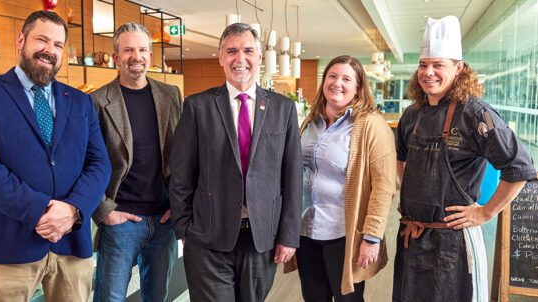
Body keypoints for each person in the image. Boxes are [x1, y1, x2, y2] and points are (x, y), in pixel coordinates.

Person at [0, 10, 111, 301]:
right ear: (21, 40)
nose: (49, 50)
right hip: (7, 246)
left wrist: (73, 209)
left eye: (58, 45)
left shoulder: (81, 101)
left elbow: (99, 163)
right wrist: (41, 210)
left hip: (71, 242)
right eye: (42, 40)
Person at [393, 16, 536, 302]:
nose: (428, 73)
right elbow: (402, 158)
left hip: (452, 243)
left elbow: (519, 168)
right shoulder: (411, 115)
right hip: (411, 235)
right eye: (423, 65)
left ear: (458, 68)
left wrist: (484, 212)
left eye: (438, 65)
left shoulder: (475, 114)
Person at [168, 22, 302, 302]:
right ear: (220, 58)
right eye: (231, 51)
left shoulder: (283, 108)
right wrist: (184, 229)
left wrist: (288, 235)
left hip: (261, 238)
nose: (240, 59)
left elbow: (292, 177)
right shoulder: (197, 106)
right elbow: (181, 173)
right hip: (207, 238)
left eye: (248, 50)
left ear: (260, 58)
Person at [90, 22, 183, 302]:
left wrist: (179, 206)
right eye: (128, 49)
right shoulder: (96, 101)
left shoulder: (171, 96)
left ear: (151, 57)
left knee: (156, 297)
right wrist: (104, 211)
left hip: (163, 220)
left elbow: (183, 157)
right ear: (116, 57)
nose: (136, 56)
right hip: (120, 221)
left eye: (143, 49)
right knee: (110, 298)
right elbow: (85, 163)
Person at [295, 55, 395, 302]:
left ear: (358, 87)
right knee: (313, 297)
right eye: (332, 76)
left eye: (346, 79)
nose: (337, 83)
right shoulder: (311, 120)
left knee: (347, 299)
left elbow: (383, 187)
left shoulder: (371, 125)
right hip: (306, 230)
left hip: (343, 234)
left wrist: (372, 237)